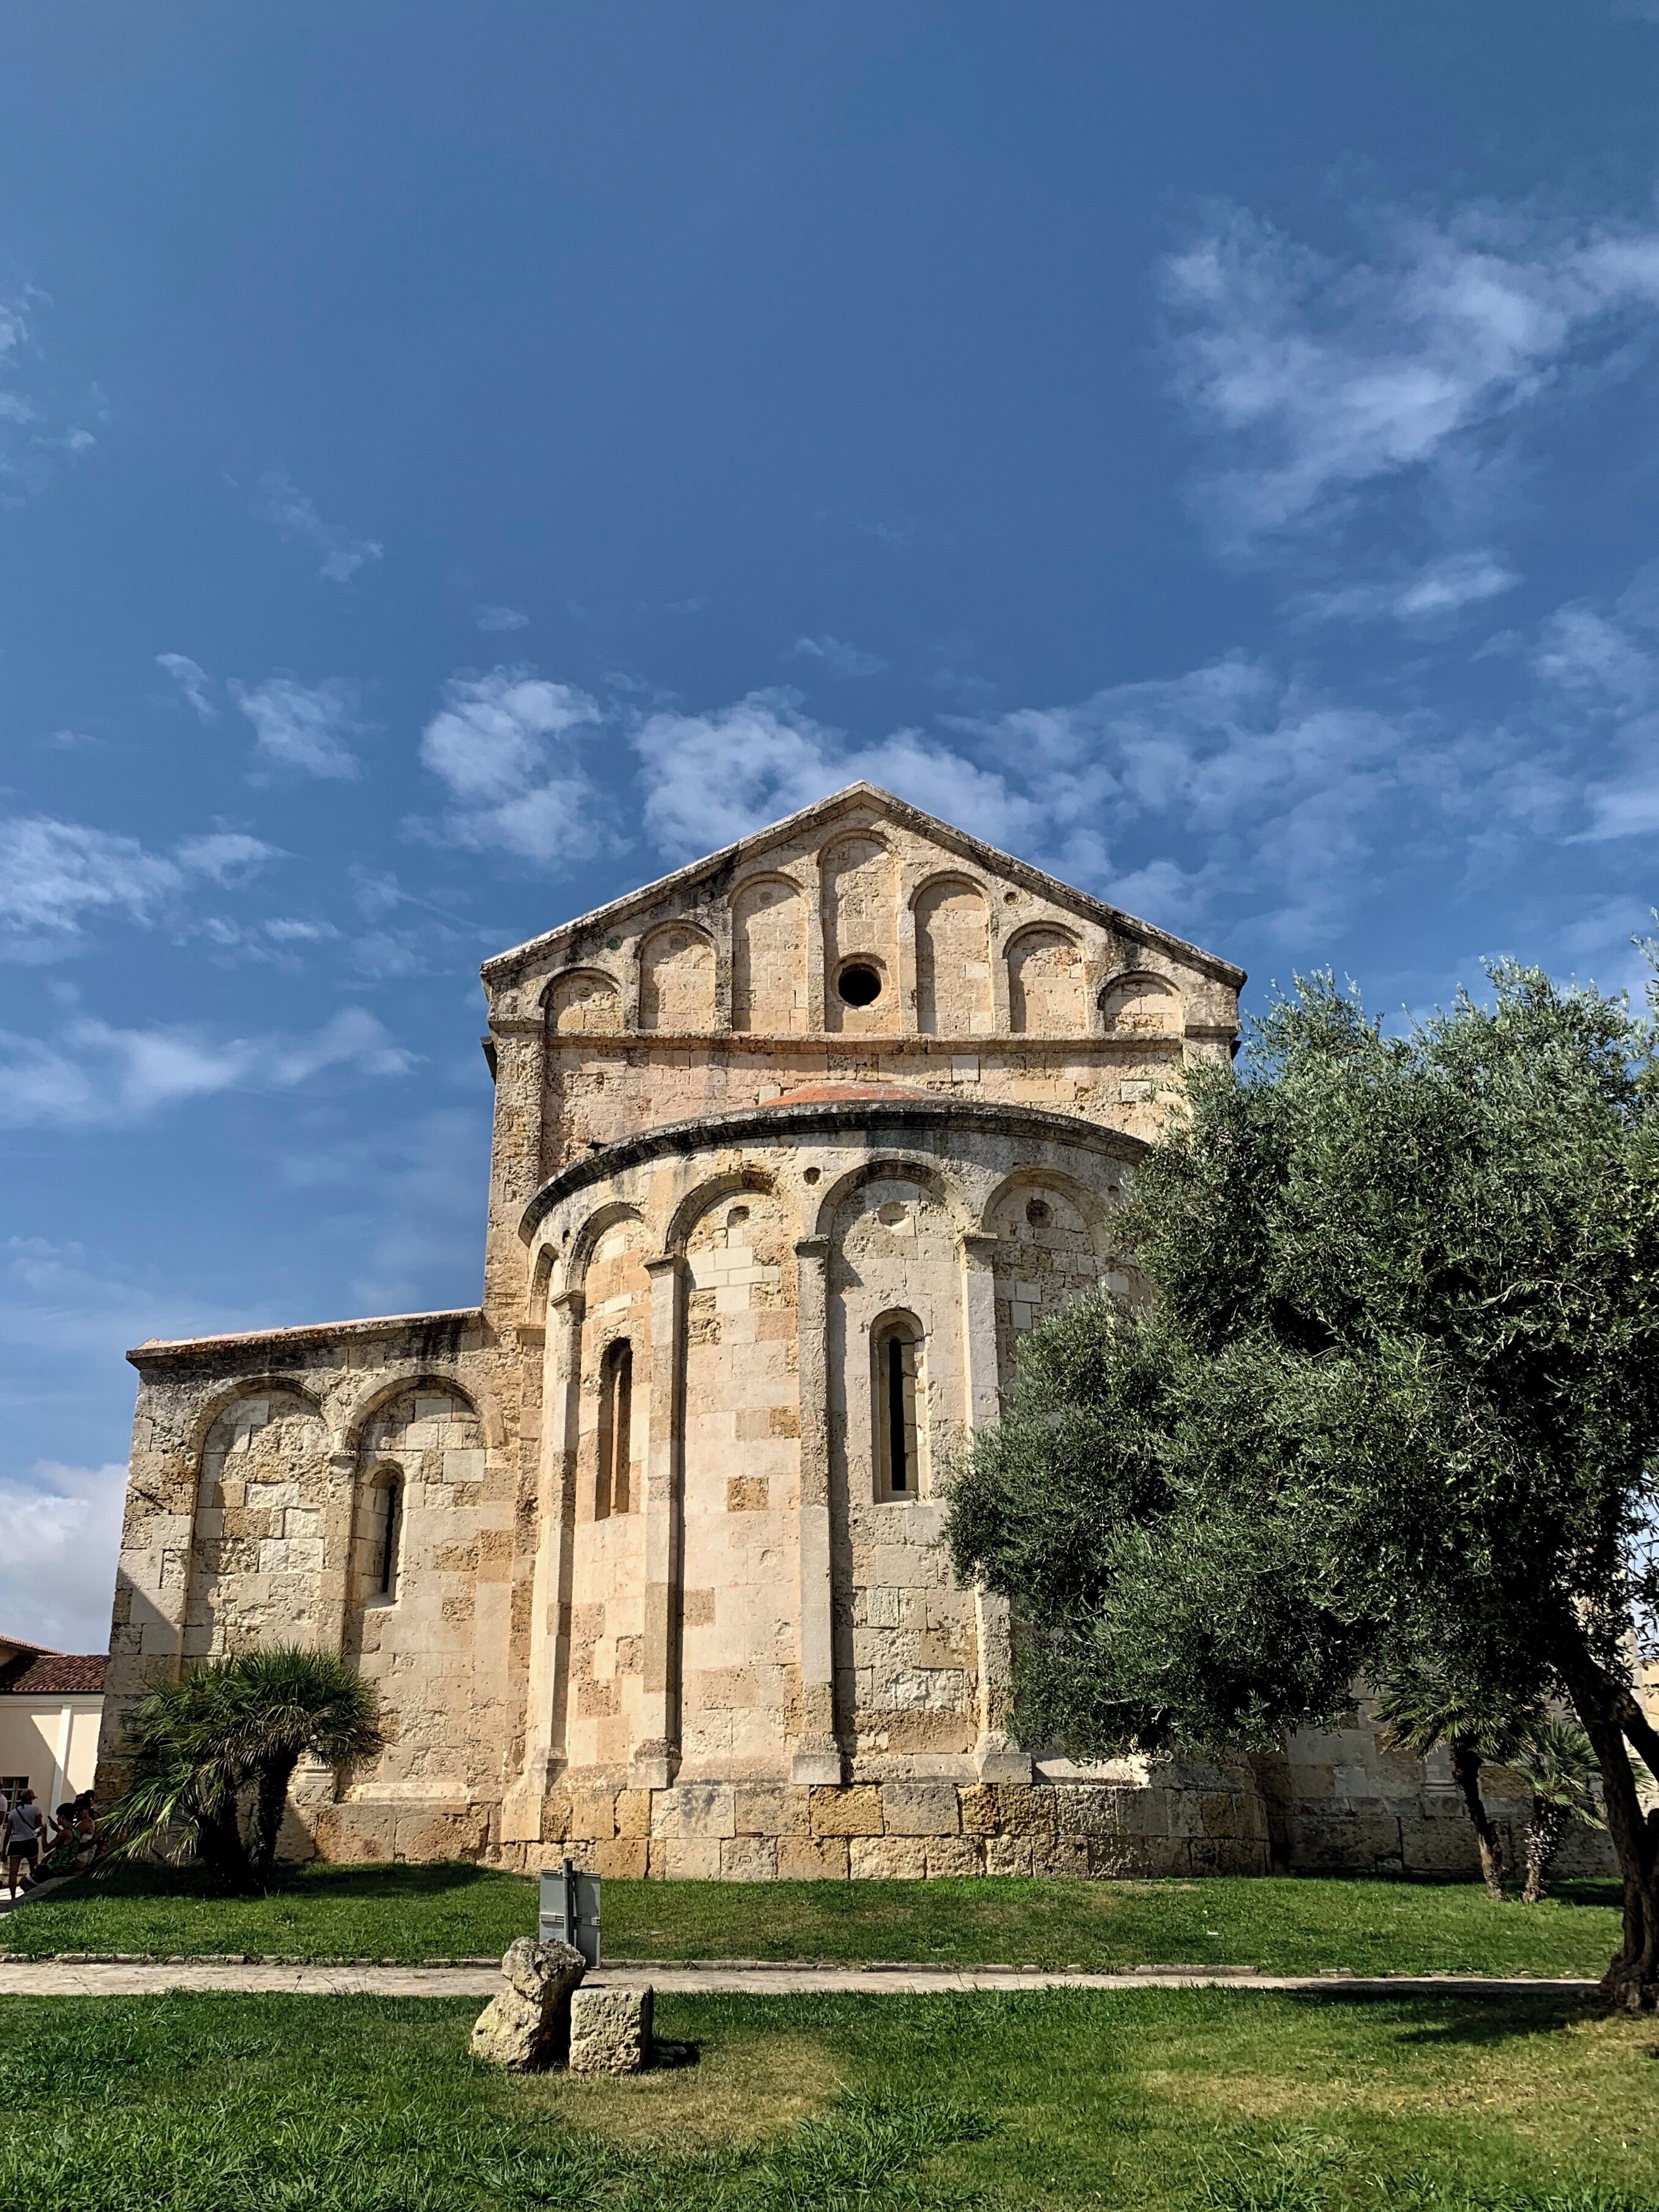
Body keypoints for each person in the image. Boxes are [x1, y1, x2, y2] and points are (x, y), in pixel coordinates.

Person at [4, 1788, 45, 1900]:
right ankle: (33, 1893)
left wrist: (4, 1849)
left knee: (13, 1871)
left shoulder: (13, 1813)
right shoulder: (36, 1810)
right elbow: (39, 1828)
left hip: (15, 1842)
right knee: (33, 1868)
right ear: (32, 1799)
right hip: (30, 1841)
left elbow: (8, 1832)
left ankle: (12, 1897)